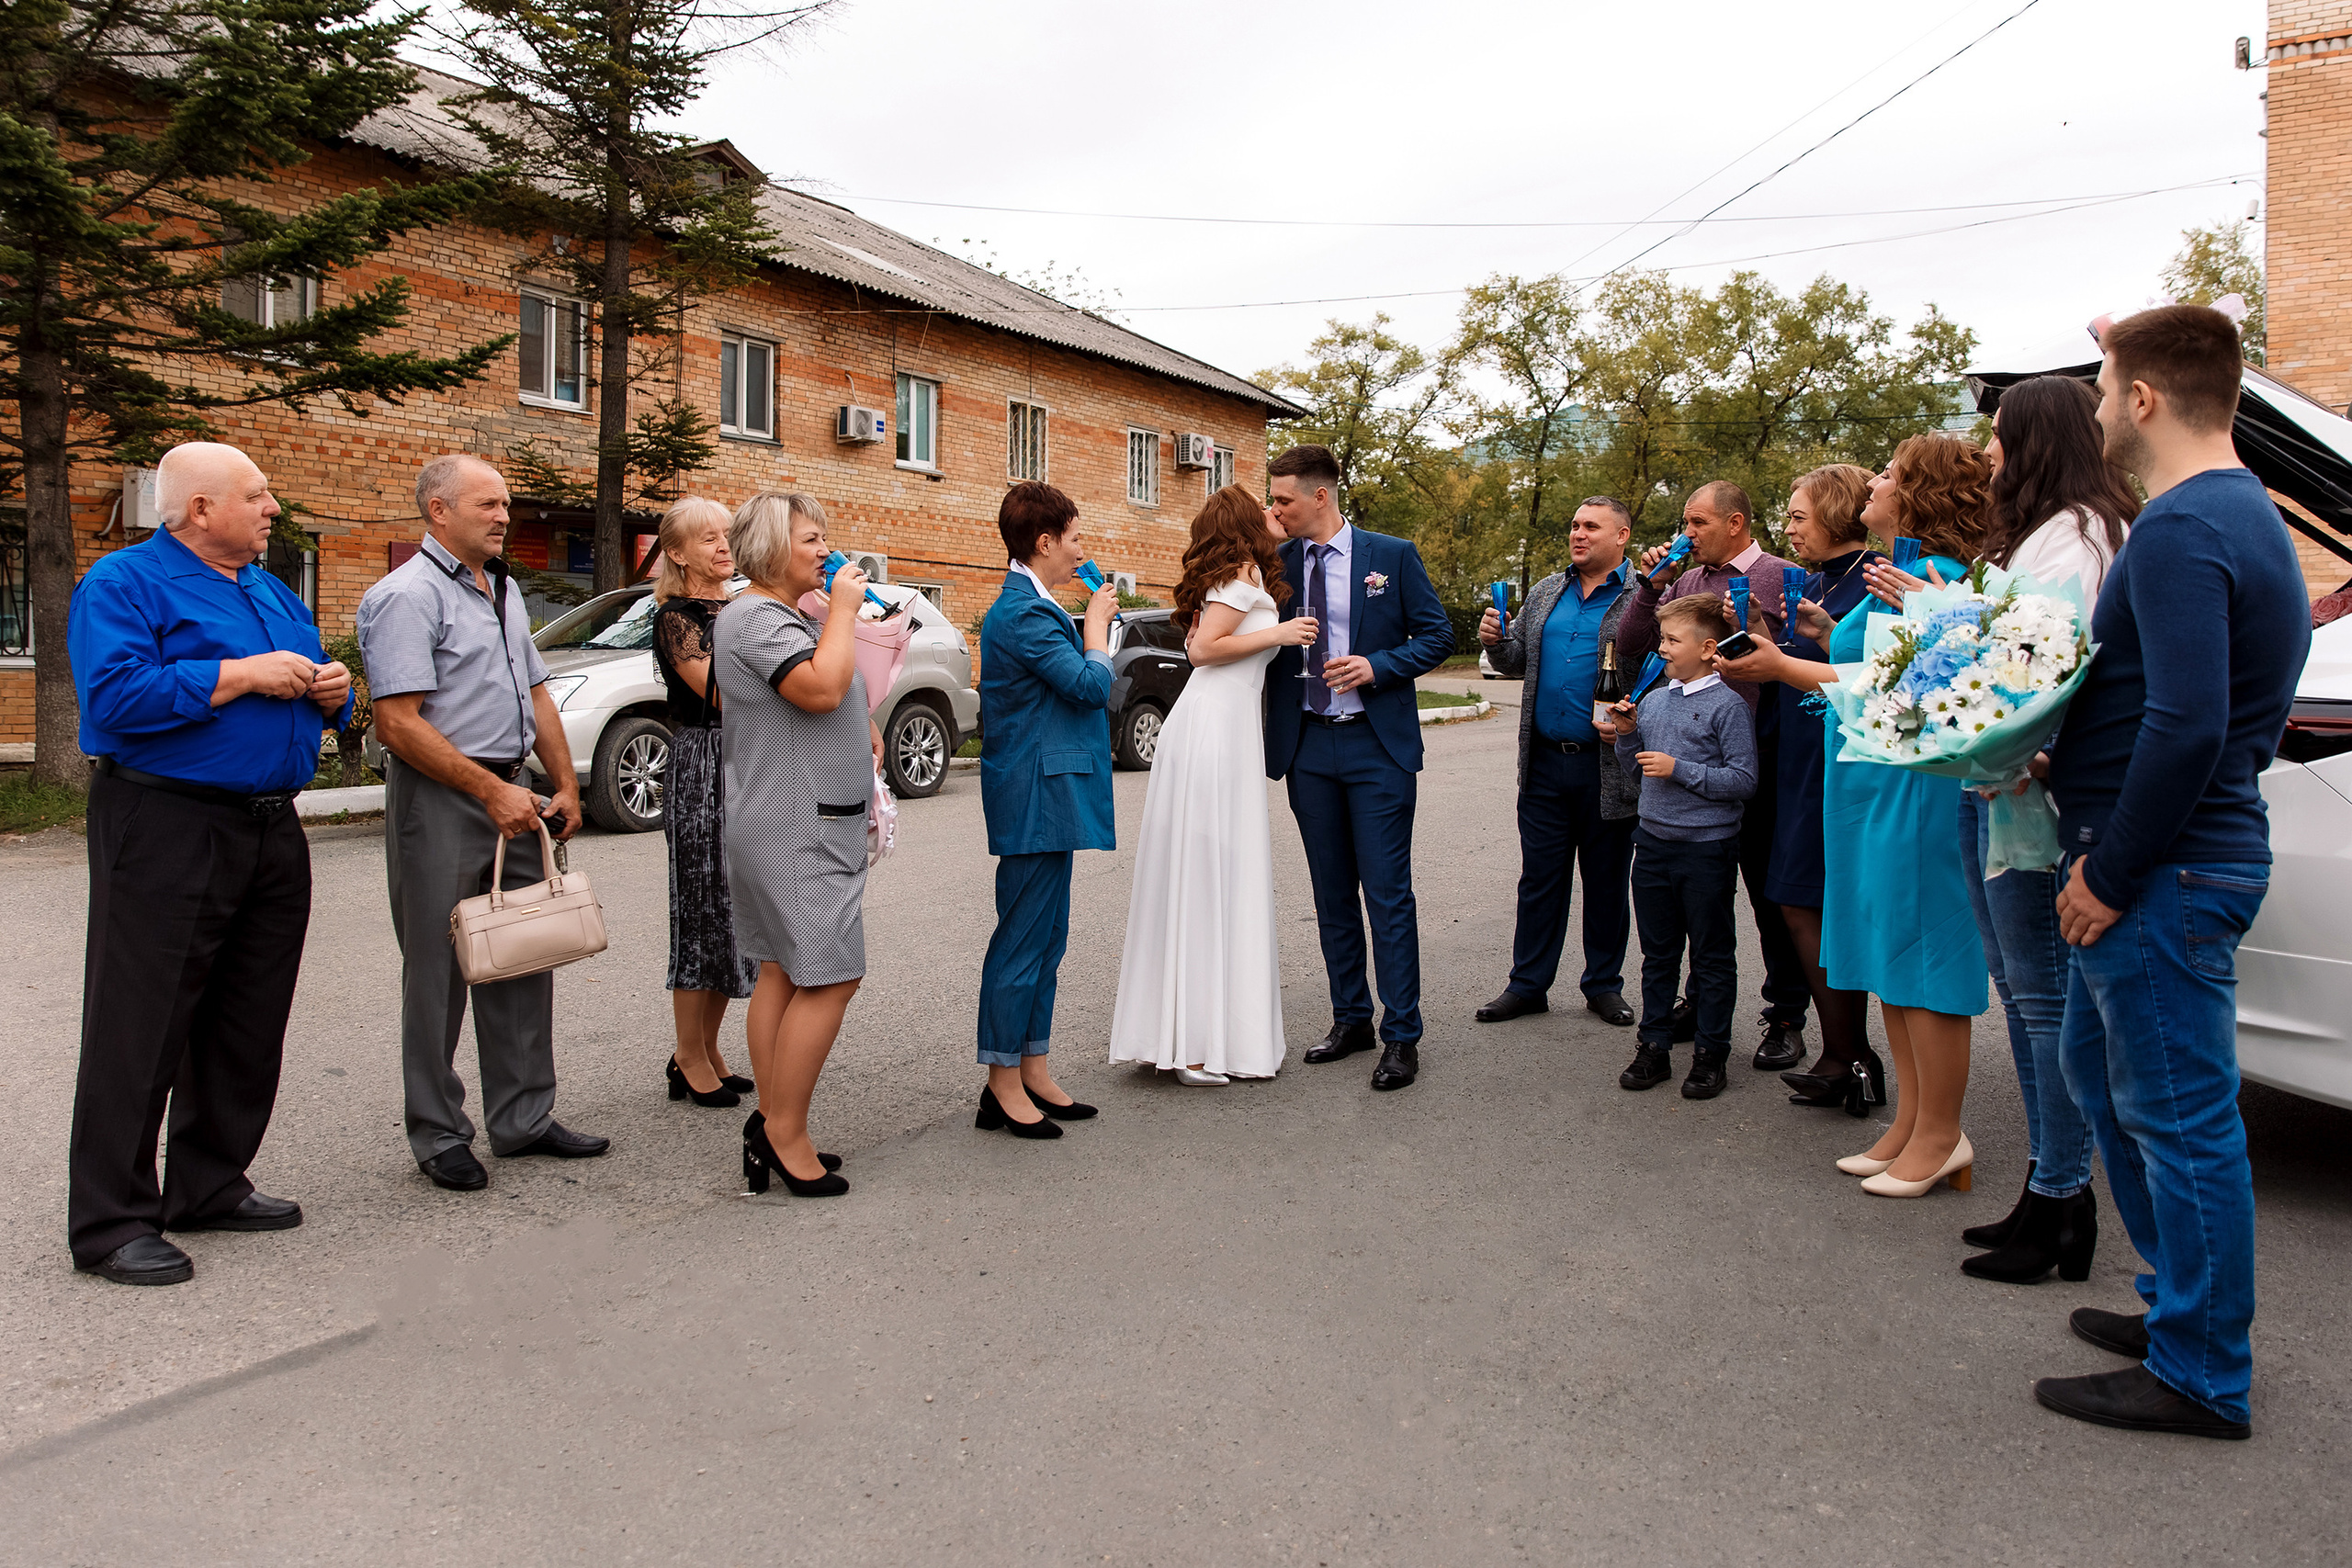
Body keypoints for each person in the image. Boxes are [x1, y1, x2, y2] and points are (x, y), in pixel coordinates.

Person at [2030, 306, 2306, 1441]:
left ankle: (2200, 1370)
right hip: (2160, 858)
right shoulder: (2227, 516)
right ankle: (2174, 1307)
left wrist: (2110, 867)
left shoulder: (2189, 526)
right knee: (2102, 1084)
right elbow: (2169, 701)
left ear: (2141, 398)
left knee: (2179, 1119)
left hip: (2162, 871)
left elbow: (2191, 727)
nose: (2096, 409)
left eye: (2102, 388)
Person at [62, 442, 351, 1286]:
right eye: (256, 496)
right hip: (166, 820)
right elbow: (112, 697)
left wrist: (332, 697)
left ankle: (209, 1181)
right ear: (198, 510)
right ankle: (112, 1219)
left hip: (268, 826)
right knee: (139, 1021)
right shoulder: (123, 583)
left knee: (247, 1016)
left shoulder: (268, 590)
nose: (272, 509)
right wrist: (234, 674)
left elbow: (301, 690)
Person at [359, 454, 605, 1193]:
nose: (504, 516)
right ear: (438, 510)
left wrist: (562, 783)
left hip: (515, 792)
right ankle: (439, 1134)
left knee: (524, 953)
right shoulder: (405, 597)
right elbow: (398, 724)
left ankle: (524, 1119)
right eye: (488, 504)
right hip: (444, 793)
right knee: (438, 971)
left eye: (505, 505)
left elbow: (536, 696)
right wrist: (486, 789)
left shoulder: (498, 589)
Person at [1951, 376, 2140, 1286]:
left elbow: (2031, 681)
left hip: (2028, 800)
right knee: (2023, 1000)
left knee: (2043, 1006)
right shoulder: (2046, 538)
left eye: (1995, 436)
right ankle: (2045, 1185)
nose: (1986, 452)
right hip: (2005, 793)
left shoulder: (2073, 544)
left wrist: (1969, 739)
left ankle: (2064, 1198)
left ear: (2031, 442)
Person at [1809, 437, 1990, 1197]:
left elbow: (1910, 694)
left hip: (1911, 786)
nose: (1874, 482)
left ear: (1921, 494)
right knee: (1890, 954)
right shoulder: (1893, 575)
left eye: (1889, 474)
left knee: (1925, 954)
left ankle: (1944, 1134)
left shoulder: (1937, 580)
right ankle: (1911, 1122)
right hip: (1865, 782)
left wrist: (1793, 665)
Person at [1262, 445, 1455, 1092]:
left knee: (1387, 893)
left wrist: (1379, 666)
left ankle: (1402, 1034)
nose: (1275, 508)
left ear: (1321, 496)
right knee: (1330, 892)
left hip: (1376, 744)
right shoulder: (1279, 564)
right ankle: (1352, 1019)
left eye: (1283, 498)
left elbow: (1436, 634)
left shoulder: (1390, 556)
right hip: (1307, 747)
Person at [1109, 485, 1317, 1084]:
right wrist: (1277, 635)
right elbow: (1202, 650)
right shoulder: (1237, 577)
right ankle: (1193, 1046)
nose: (1277, 514)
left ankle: (1191, 1034)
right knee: (1205, 878)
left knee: (1213, 877)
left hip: (1224, 729)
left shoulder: (1247, 573)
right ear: (1245, 523)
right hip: (1211, 733)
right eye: (1267, 509)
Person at [710, 492, 879, 1198]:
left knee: (782, 969)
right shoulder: (756, 617)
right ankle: (782, 1132)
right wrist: (841, 611)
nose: (825, 550)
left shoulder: (770, 614)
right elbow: (816, 689)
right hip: (796, 826)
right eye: (812, 539)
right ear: (774, 546)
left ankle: (780, 1121)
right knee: (831, 975)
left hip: (791, 817)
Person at [1616, 482, 1811, 1073]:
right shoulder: (1686, 579)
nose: (1687, 533)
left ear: (1735, 522)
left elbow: (1796, 657)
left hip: (1763, 755)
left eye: (1697, 522)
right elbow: (1631, 644)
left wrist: (1755, 621)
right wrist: (1651, 587)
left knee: (1771, 895)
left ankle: (1784, 1016)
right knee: (1701, 902)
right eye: (1684, 522)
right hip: (1689, 753)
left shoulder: (1781, 574)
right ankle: (1699, 1006)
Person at [1712, 466, 1883, 1111]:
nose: (1787, 528)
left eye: (1798, 516)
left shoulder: (1874, 581)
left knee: (1816, 903)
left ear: (1837, 512)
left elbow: (1862, 671)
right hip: (1794, 760)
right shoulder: (1809, 581)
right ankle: (1844, 1051)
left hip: (1839, 763)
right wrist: (1761, 627)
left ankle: (1848, 1053)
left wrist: (1783, 654)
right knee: (1796, 899)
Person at [974, 480, 1116, 1137]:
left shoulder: (1036, 604)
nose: (1082, 548)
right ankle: (1002, 1082)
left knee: (1047, 940)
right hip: (1033, 797)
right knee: (1022, 942)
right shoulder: (1024, 613)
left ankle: (1033, 1067)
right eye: (1076, 537)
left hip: (1047, 794)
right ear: (1045, 542)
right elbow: (1088, 686)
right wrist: (1096, 632)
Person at [1474, 497, 1639, 1030]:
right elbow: (1515, 659)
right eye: (1574, 526)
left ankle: (1603, 986)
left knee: (1606, 880)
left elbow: (1664, 668)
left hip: (1606, 765)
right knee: (1539, 879)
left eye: (1592, 526)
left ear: (1622, 536)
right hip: (1545, 763)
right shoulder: (1549, 589)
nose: (1579, 534)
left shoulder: (1642, 597)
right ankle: (1527, 985)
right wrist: (1495, 643)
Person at [1608, 594, 1758, 1099]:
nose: (1663, 649)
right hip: (1651, 843)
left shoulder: (1728, 706)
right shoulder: (1653, 700)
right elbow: (1635, 773)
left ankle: (1711, 1054)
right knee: (1657, 953)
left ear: (1708, 647)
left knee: (1712, 955)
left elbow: (1743, 780)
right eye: (1662, 638)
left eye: (1672, 640)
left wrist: (1681, 770)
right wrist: (1627, 735)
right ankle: (1653, 1047)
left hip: (1706, 850)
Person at [649, 496, 759, 1110]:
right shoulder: (678, 616)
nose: (723, 545)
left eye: (728, 534)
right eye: (708, 537)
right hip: (705, 763)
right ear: (678, 552)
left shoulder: (739, 605)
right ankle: (687, 1055)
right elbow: (721, 692)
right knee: (699, 912)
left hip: (747, 759)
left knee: (731, 914)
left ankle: (708, 1048)